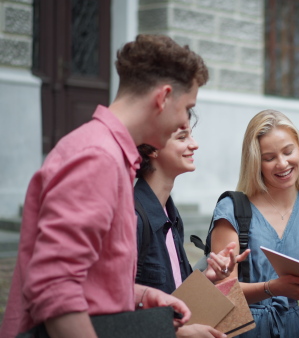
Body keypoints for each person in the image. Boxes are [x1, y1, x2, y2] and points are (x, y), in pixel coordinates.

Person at [0, 34, 208, 338]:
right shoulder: (98, 158)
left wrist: (136, 295)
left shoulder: (110, 155)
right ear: (163, 98)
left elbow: (87, 281)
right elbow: (55, 289)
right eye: (185, 107)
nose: (183, 123)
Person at [206, 110, 299, 337]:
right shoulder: (233, 210)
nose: (282, 164)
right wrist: (272, 288)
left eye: (288, 151)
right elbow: (220, 291)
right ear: (255, 162)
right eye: (269, 158)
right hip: (242, 331)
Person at [134, 112, 250, 338]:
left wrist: (208, 277)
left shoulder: (171, 214)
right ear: (152, 148)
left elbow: (174, 292)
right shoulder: (133, 218)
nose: (194, 144)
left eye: (191, 136)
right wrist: (178, 334)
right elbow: (115, 309)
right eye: (182, 137)